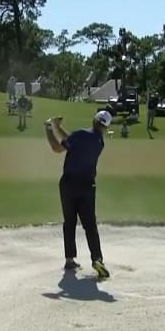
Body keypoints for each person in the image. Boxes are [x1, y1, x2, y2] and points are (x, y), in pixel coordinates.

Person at [43, 110, 112, 279]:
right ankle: (97, 258)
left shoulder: (80, 134)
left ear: (94, 119)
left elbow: (58, 147)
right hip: (87, 186)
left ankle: (69, 259)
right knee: (90, 225)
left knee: (70, 222)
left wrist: (49, 128)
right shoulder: (99, 142)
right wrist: (59, 127)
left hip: (68, 185)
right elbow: (72, 141)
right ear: (105, 127)